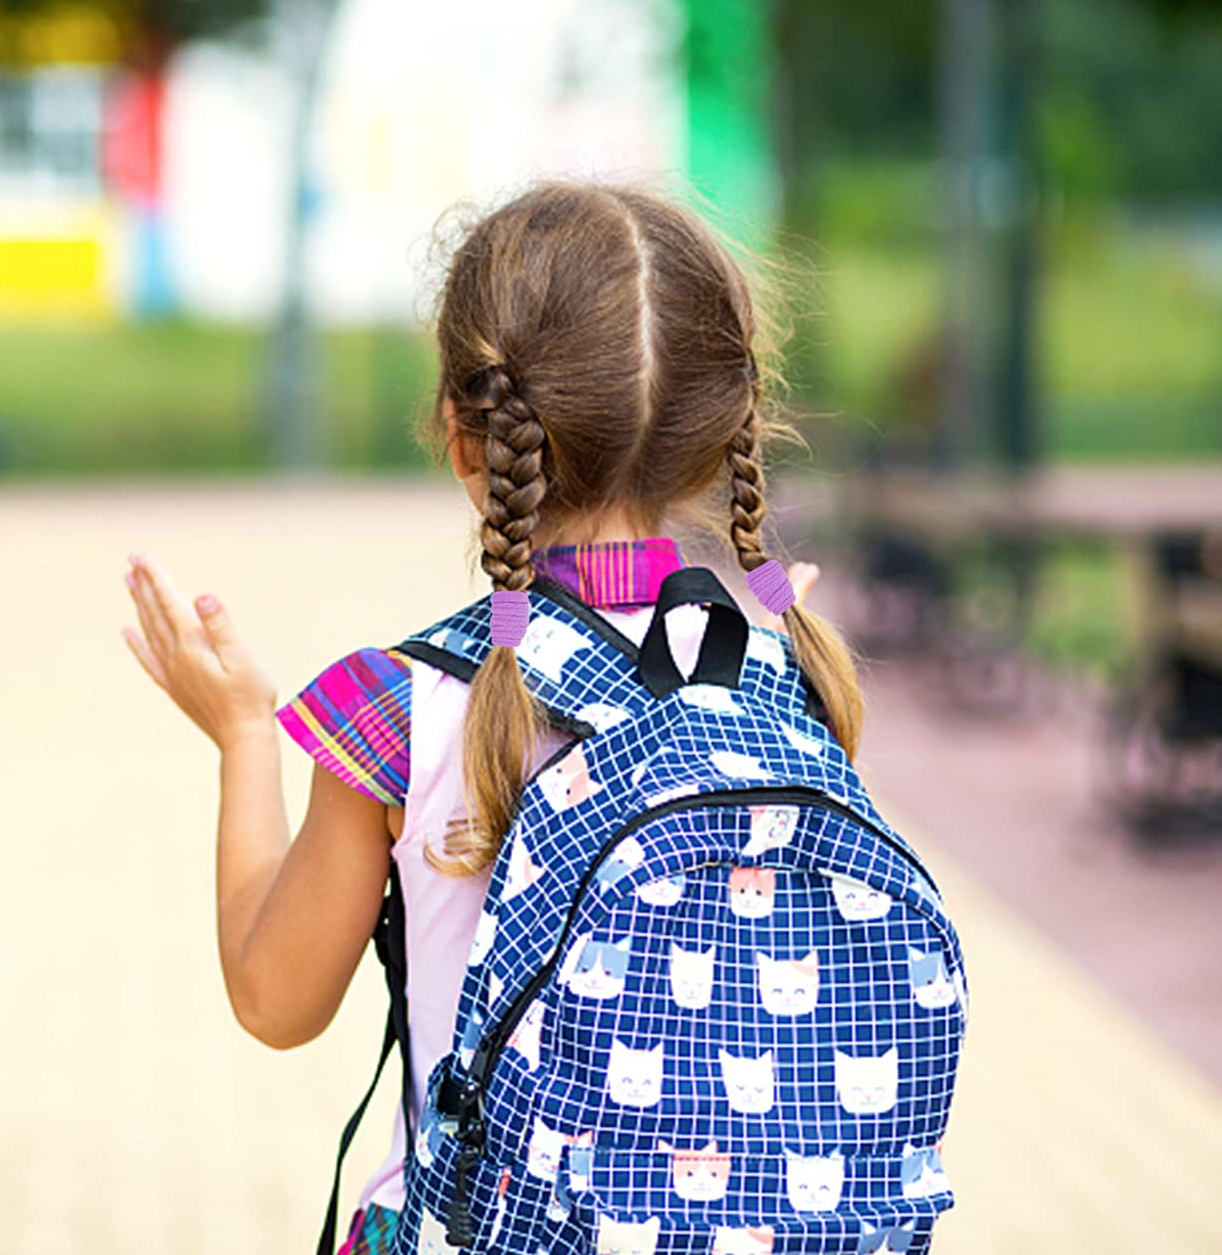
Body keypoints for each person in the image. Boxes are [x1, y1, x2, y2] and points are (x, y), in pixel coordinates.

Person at [119, 180, 863, 1255]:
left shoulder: (398, 705)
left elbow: (276, 999)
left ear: (465, 439)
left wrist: (244, 737)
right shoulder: (786, 676)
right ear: (720, 435)